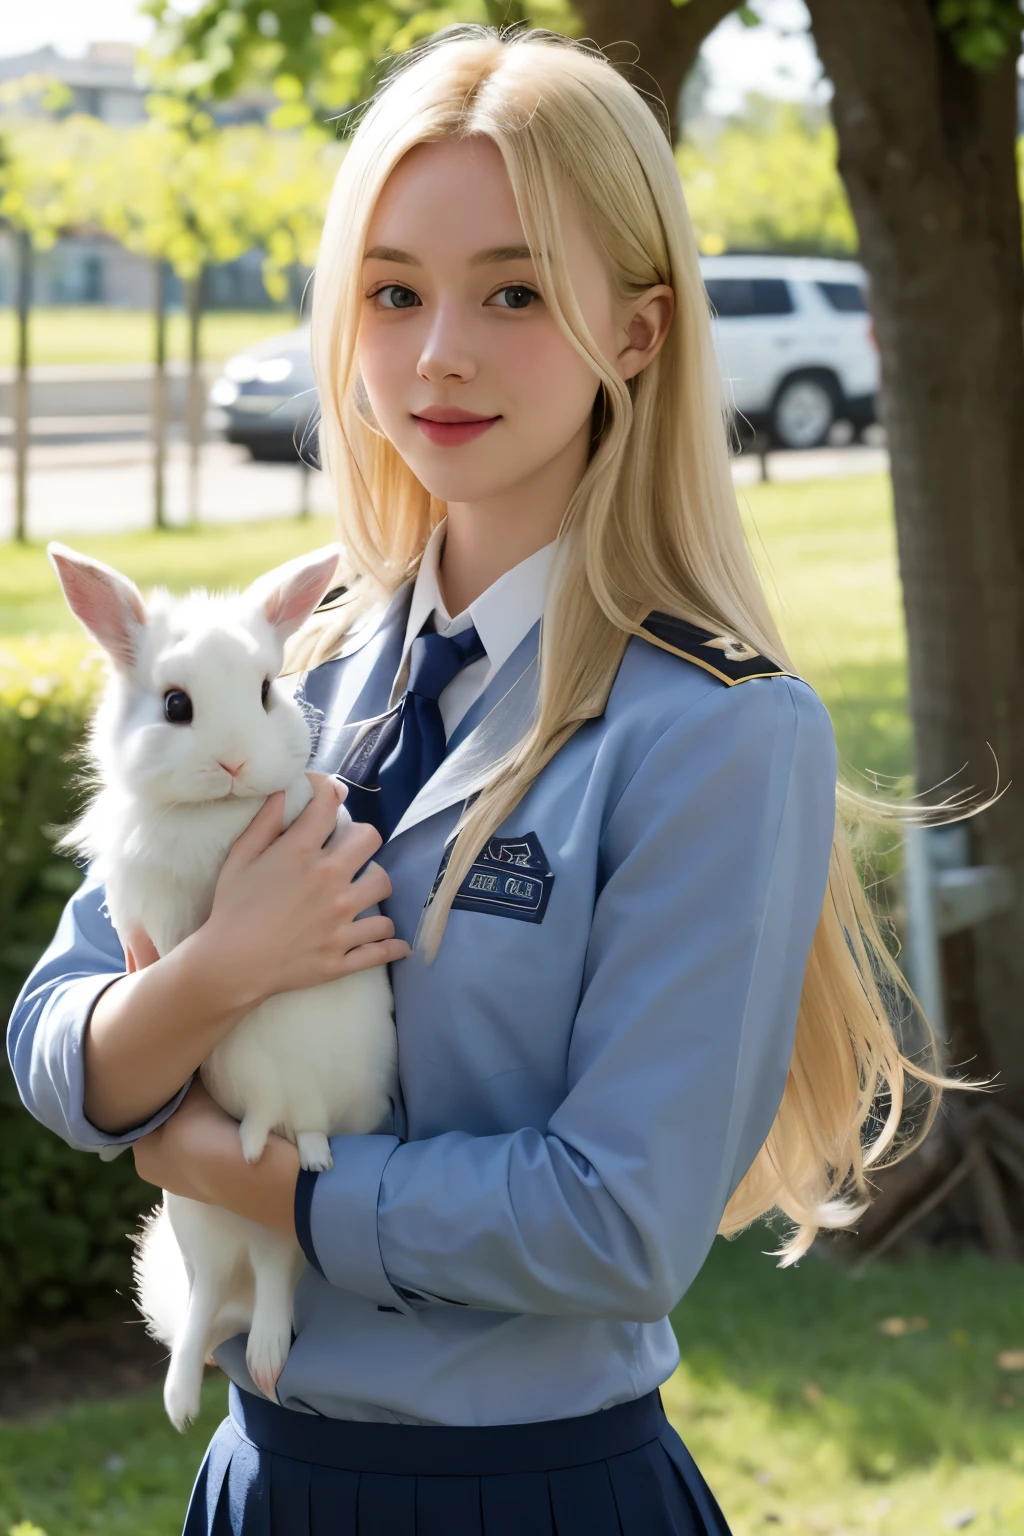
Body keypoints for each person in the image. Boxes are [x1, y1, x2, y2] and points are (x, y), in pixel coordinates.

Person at [7, 25, 946, 1535]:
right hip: (258, 1483)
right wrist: (213, 981)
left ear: (637, 334)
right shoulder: (276, 673)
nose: (438, 352)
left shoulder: (717, 730)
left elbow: (613, 1224)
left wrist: (222, 1167)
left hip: (530, 1495)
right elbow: (58, 1032)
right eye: (394, 292)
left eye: (513, 292)